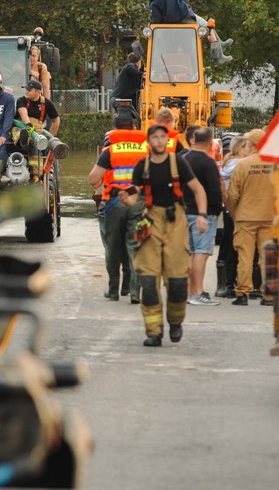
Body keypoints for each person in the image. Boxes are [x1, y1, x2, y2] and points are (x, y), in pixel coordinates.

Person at [119, 123, 208, 347]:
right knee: (148, 282)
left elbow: (198, 189)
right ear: (149, 142)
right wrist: (127, 199)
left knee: (178, 283)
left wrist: (202, 215)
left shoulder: (178, 162)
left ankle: (176, 322)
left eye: (162, 137)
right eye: (155, 137)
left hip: (176, 220)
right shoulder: (143, 166)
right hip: (150, 220)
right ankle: (153, 332)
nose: (159, 141)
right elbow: (134, 191)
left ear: (166, 140)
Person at [88, 107, 148, 303]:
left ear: (115, 128)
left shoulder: (110, 151)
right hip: (137, 202)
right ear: (135, 126)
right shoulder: (146, 149)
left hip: (114, 202)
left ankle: (113, 290)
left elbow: (93, 179)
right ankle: (134, 292)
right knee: (134, 245)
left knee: (113, 248)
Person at [226, 128, 275, 306]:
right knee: (268, 257)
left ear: (252, 145)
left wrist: (233, 212)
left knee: (245, 256)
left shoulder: (243, 164)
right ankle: (269, 294)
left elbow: (232, 195)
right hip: (269, 216)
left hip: (245, 217)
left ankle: (243, 293)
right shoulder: (275, 164)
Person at [178, 127, 223, 306]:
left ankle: (190, 291)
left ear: (193, 140)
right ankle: (198, 293)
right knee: (201, 253)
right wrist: (215, 210)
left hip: (183, 212)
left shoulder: (182, 159)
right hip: (203, 215)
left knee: (189, 253)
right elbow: (214, 189)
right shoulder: (208, 162)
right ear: (210, 142)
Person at [142, 0, 234, 64]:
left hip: (171, 24)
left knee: (207, 29)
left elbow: (156, 20)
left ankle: (219, 54)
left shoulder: (154, 3)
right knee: (208, 29)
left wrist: (151, 27)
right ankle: (219, 53)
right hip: (186, 17)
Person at [216, 135, 251, 298]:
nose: (249, 150)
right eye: (246, 147)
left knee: (226, 244)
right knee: (234, 245)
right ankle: (231, 282)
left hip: (227, 207)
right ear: (239, 148)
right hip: (236, 208)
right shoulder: (239, 164)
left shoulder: (228, 161)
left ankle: (223, 284)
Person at [109, 53, 143, 128]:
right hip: (119, 99)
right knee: (125, 117)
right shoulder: (130, 66)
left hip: (118, 99)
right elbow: (136, 72)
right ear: (138, 62)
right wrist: (146, 75)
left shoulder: (131, 75)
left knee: (135, 118)